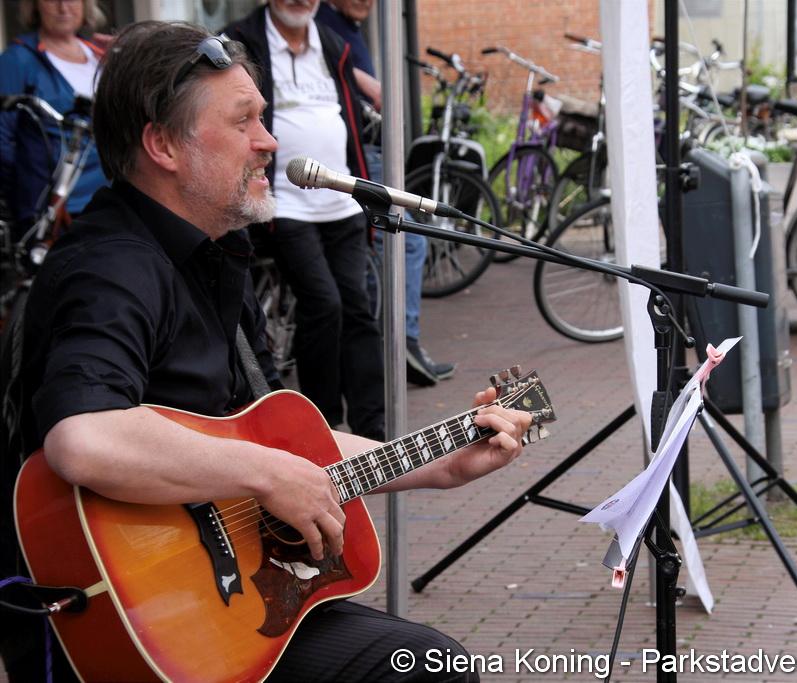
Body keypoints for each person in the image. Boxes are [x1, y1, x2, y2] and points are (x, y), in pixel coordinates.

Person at [1, 21, 530, 682]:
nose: (269, 141)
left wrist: (442, 463)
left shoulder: (215, 255)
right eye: (243, 120)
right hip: (134, 627)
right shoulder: (112, 269)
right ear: (163, 145)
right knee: (427, 666)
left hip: (213, 611)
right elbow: (83, 437)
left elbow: (283, 445)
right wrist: (263, 472)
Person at [224, 0, 387, 439]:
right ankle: (324, 426)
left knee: (358, 308)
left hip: (342, 200)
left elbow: (350, 118)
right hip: (286, 204)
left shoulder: (332, 43)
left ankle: (372, 428)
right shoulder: (243, 41)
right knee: (324, 305)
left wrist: (363, 190)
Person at [316, 0, 456, 387]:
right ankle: (398, 342)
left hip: (361, 151)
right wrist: (362, 81)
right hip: (353, 156)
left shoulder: (343, 25)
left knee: (383, 246)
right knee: (405, 241)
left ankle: (384, 344)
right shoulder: (320, 24)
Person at [0, 0, 108, 233]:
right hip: (56, 208)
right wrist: (25, 193)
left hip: (110, 197)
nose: (63, 7)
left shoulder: (100, 56)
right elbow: (2, 136)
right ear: (35, 6)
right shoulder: (18, 59)